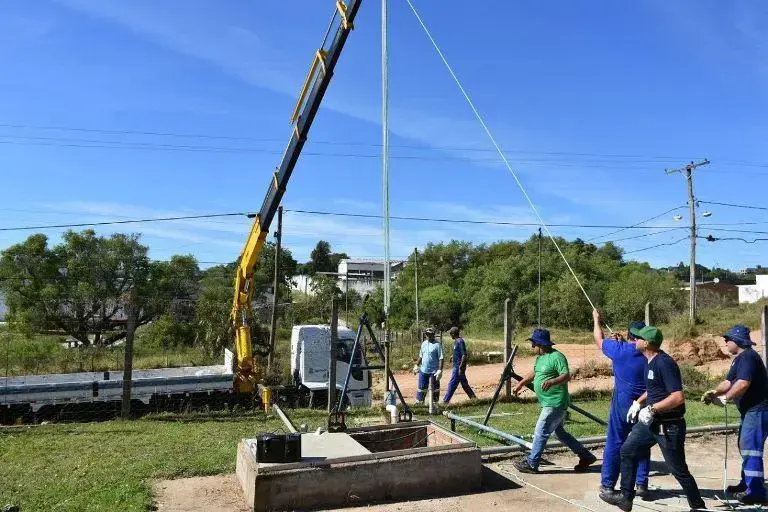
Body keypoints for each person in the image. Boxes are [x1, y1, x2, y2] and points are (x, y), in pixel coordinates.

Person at [600, 325, 705, 512]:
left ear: (646, 343)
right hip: (652, 422)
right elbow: (654, 389)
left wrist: (652, 408)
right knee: (627, 450)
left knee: (678, 469)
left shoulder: (664, 363)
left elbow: (677, 397)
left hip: (669, 425)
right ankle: (626, 498)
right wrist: (638, 402)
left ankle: (698, 507)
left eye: (638, 338)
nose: (634, 340)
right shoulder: (649, 360)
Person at [512, 328, 597, 473]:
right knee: (560, 433)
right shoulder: (541, 358)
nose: (532, 347)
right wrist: (521, 383)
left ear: (542, 344)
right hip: (548, 403)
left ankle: (532, 463)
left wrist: (552, 382)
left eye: (534, 344)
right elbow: (534, 372)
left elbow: (566, 375)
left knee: (541, 431)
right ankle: (586, 456)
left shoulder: (557, 357)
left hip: (556, 403)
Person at [702, 324, 768, 505]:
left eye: (727, 340)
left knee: (751, 449)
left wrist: (726, 399)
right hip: (749, 411)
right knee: (745, 447)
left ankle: (756, 491)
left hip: (758, 410)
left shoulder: (748, 357)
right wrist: (715, 393)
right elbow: (728, 382)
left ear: (736, 341)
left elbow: (743, 383)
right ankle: (746, 484)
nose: (725, 343)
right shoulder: (739, 359)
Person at [592, 310, 651, 499]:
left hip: (623, 403)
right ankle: (641, 484)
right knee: (641, 443)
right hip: (646, 404)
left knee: (615, 442)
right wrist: (622, 342)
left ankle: (608, 484)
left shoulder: (619, 350)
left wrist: (596, 320)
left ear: (629, 335)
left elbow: (599, 340)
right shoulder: (652, 353)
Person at [441, 326, 477, 404]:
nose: (450, 335)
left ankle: (445, 400)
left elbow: (464, 355)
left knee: (452, 383)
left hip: (458, 367)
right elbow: (458, 352)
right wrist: (452, 356)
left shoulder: (460, 341)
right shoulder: (456, 341)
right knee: (464, 384)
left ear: (453, 334)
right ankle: (473, 398)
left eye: (450, 334)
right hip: (457, 366)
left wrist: (460, 367)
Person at [413, 327, 443, 404]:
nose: (429, 336)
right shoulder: (423, 344)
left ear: (433, 335)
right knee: (421, 388)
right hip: (424, 370)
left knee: (435, 389)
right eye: (427, 334)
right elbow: (421, 356)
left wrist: (440, 370)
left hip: (434, 371)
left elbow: (441, 358)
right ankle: (420, 403)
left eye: (430, 334)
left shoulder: (437, 345)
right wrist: (416, 365)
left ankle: (435, 404)